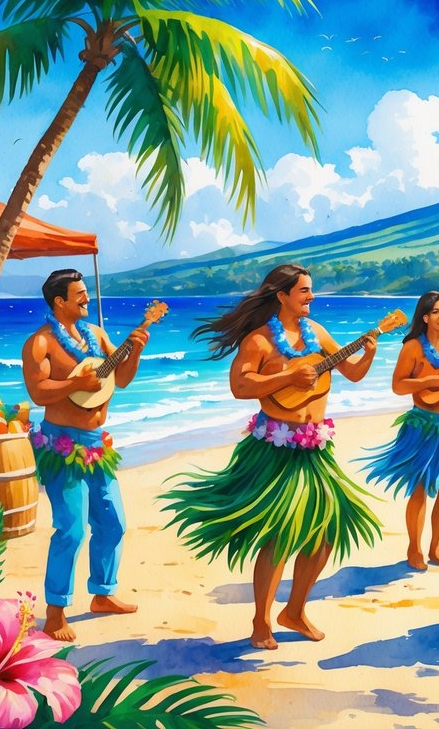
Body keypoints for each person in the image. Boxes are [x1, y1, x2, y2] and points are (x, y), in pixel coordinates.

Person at [161, 264, 382, 650]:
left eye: (311, 290)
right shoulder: (260, 341)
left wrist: (369, 354)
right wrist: (286, 378)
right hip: (275, 450)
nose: (311, 297)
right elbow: (240, 385)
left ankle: (293, 611)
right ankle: (261, 621)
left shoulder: (319, 334)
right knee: (279, 537)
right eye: (304, 291)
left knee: (325, 535)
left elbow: (352, 372)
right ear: (282, 296)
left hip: (314, 451)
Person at [22, 269, 147, 642]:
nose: (86, 299)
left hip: (96, 443)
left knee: (113, 522)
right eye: (79, 295)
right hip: (61, 445)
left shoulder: (98, 335)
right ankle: (55, 612)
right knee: (71, 529)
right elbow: (39, 392)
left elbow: (121, 379)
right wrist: (75, 383)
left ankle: (103, 594)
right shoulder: (40, 343)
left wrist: (135, 349)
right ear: (59, 301)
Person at [360, 292, 439, 570]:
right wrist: (425, 381)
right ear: (424, 317)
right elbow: (398, 385)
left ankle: (435, 546)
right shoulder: (412, 347)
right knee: (420, 489)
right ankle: (414, 548)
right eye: (436, 312)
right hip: (421, 426)